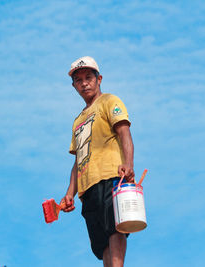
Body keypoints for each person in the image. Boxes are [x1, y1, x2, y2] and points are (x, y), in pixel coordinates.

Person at [60, 56, 135, 267]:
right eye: (79, 80)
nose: (84, 83)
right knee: (101, 243)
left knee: (115, 228)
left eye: (88, 77)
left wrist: (128, 164)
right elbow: (78, 161)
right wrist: (69, 194)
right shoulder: (78, 121)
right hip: (87, 189)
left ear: (99, 79)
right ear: (74, 85)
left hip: (112, 176)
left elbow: (124, 133)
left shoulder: (110, 101)